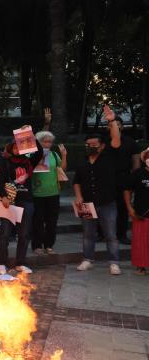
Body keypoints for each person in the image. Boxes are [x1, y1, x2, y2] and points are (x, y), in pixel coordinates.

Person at [73, 105, 123, 275]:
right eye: (88, 144)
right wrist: (78, 197)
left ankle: (114, 262)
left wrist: (112, 121)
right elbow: (76, 181)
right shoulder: (83, 161)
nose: (90, 147)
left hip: (107, 202)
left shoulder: (109, 156)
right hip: (86, 203)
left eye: (93, 144)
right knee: (88, 234)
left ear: (101, 146)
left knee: (110, 234)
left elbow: (116, 140)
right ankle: (87, 259)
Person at [0, 129, 45, 275]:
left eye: (19, 147)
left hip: (26, 200)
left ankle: (20, 262)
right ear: (10, 148)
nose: (17, 149)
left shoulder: (29, 162)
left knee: (24, 233)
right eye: (14, 147)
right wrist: (3, 196)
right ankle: (1, 262)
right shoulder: (4, 162)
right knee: (4, 233)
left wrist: (30, 136)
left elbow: (39, 152)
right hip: (8, 202)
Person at [31, 131, 67, 255]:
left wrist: (64, 155)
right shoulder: (33, 155)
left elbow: (61, 169)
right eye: (44, 141)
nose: (47, 144)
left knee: (52, 221)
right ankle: (37, 245)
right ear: (38, 142)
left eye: (49, 142)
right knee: (38, 221)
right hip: (37, 193)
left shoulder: (53, 154)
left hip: (53, 193)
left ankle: (49, 245)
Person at [114, 117, 141, 245]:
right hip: (106, 179)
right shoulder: (103, 142)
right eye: (112, 124)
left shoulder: (130, 142)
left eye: (118, 124)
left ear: (122, 127)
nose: (115, 126)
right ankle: (101, 233)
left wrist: (134, 179)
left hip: (124, 178)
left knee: (123, 207)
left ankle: (122, 234)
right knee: (102, 206)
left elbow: (136, 162)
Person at [123, 148, 149, 275]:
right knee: (140, 242)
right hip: (141, 214)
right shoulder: (138, 173)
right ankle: (141, 267)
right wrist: (129, 207)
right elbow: (127, 190)